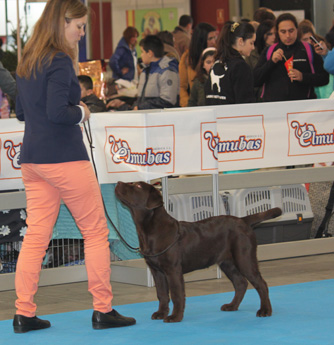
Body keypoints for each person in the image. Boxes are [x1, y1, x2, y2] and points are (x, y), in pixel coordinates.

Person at [13, 0, 135, 333]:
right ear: (60, 22)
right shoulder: (59, 60)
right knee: (96, 233)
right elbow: (58, 112)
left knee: (36, 237)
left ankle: (24, 313)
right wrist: (82, 111)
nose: (82, 33)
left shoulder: (27, 61)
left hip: (34, 160)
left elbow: (22, 113)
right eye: (78, 26)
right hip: (65, 157)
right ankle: (103, 309)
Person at [253, 13, 329, 102]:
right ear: (277, 32)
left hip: (303, 107)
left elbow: (324, 78)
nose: (288, 35)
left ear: (297, 30)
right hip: (274, 108)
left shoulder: (308, 49)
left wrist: (303, 77)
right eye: (283, 32)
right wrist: (271, 62)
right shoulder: (269, 51)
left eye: (291, 31)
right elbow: (255, 80)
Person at [107, 35, 179, 111]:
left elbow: (167, 100)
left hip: (162, 120)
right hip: (145, 117)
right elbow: (141, 99)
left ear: (150, 53)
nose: (141, 55)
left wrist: (140, 107)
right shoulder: (145, 71)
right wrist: (129, 106)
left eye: (142, 52)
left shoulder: (167, 71)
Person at [205, 22, 256, 105]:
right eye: (251, 43)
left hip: (214, 116)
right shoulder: (241, 67)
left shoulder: (216, 64)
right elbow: (245, 102)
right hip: (232, 116)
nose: (253, 47)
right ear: (241, 41)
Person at [179, 22, 217, 107]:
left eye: (214, 37)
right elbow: (182, 86)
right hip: (193, 105)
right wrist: (187, 105)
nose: (213, 41)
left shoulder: (217, 54)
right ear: (201, 39)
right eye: (210, 38)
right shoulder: (187, 57)